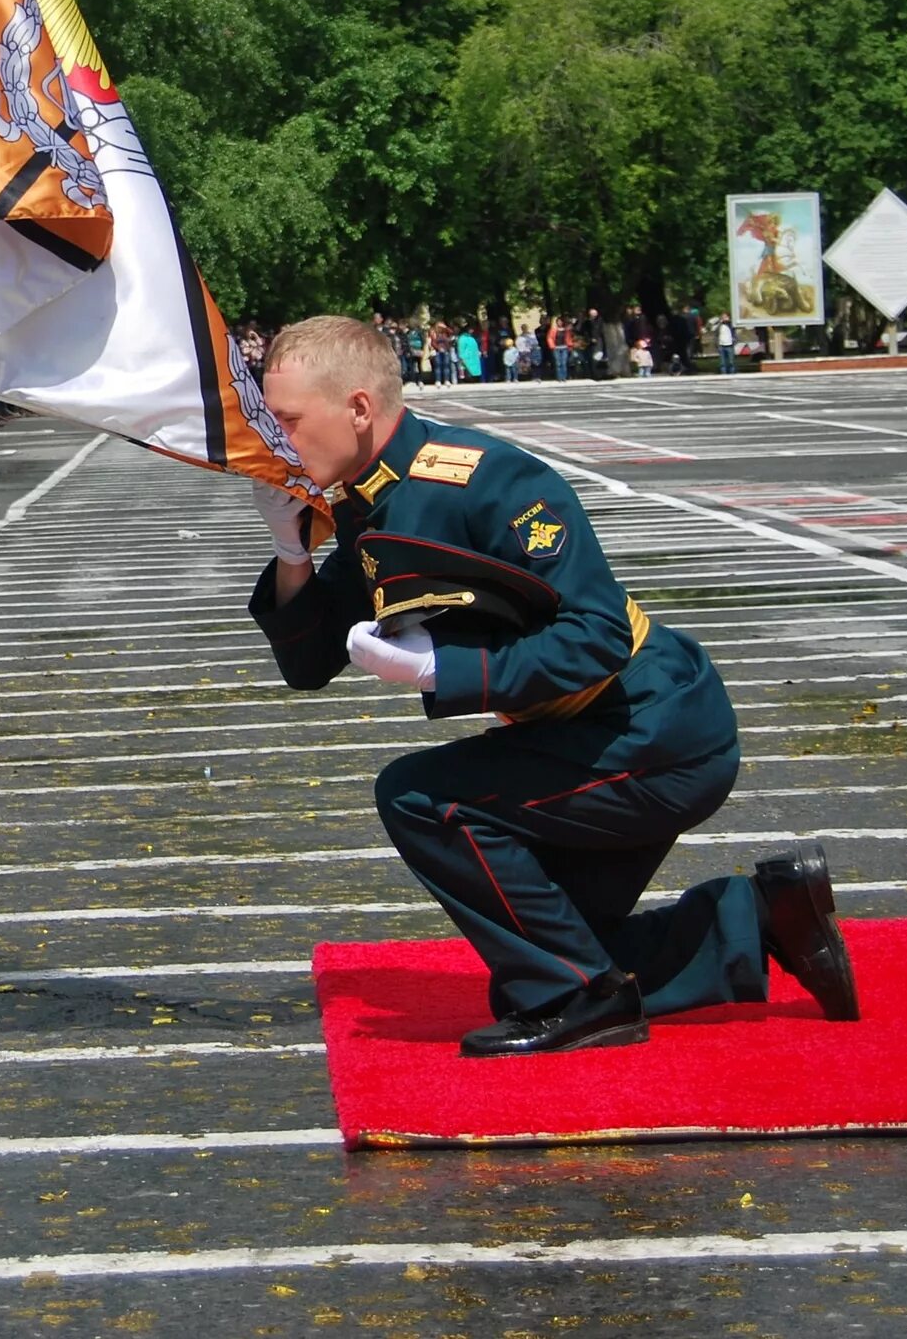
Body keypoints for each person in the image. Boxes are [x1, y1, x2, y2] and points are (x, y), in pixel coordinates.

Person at [246, 315, 856, 1055]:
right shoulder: (363, 499)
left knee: (418, 798)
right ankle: (763, 916)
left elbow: (596, 634)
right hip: (590, 737)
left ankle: (582, 998)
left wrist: (447, 670)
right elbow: (308, 668)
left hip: (655, 727)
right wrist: (291, 556)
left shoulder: (486, 478)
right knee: (555, 952)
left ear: (359, 409)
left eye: (288, 421)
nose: (278, 442)